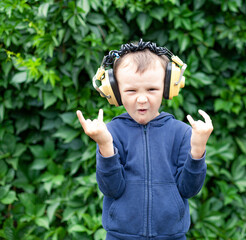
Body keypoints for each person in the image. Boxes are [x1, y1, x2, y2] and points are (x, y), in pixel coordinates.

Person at [76, 41, 213, 240]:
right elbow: (111, 188)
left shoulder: (181, 133)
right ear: (114, 92)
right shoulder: (111, 132)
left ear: (168, 88)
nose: (142, 99)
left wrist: (198, 148)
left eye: (152, 89)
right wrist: (105, 145)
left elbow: (189, 189)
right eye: (131, 91)